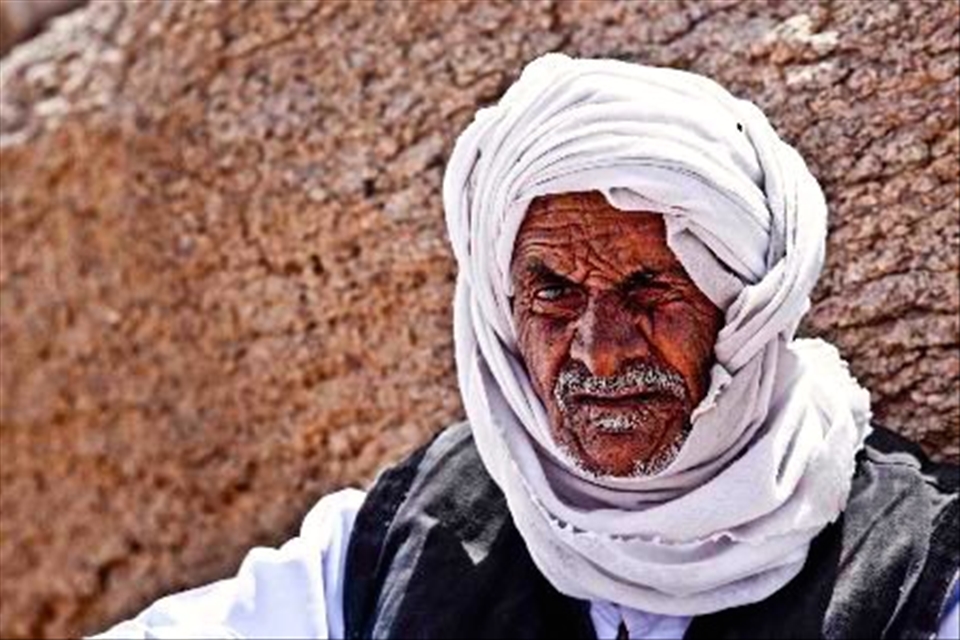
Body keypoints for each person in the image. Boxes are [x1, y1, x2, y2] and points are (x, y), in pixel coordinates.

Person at [96, 54, 959, 639]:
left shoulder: (918, 566)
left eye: (650, 291)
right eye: (553, 294)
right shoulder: (402, 538)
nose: (600, 353)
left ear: (749, 306)